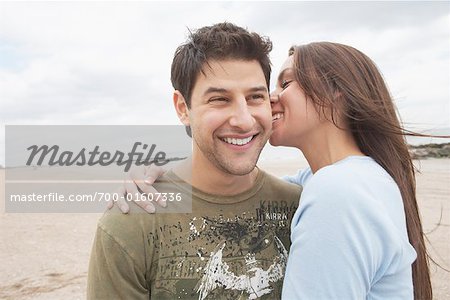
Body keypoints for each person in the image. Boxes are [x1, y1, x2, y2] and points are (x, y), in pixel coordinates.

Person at [120, 42, 434, 299]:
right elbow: (248, 188)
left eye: (285, 83)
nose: (271, 98)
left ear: (335, 92)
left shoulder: (338, 192)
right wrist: (167, 175)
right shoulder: (349, 178)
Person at [87, 22, 301, 300]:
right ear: (182, 108)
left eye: (255, 97)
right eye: (219, 99)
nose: (243, 119)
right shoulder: (131, 223)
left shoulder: (299, 209)